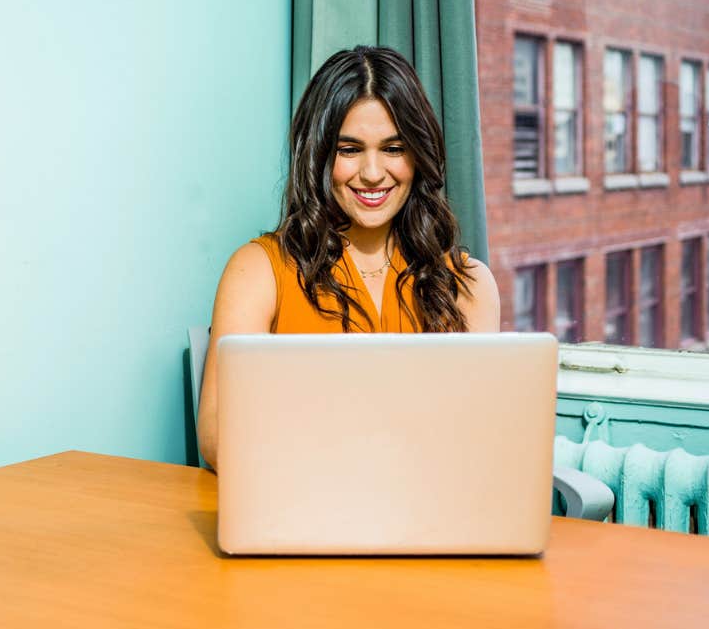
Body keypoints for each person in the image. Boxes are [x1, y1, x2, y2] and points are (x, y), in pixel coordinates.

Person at [197, 45, 500, 470]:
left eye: (394, 148)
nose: (373, 173)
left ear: (418, 155)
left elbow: (481, 439)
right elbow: (217, 440)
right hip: (300, 509)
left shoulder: (469, 283)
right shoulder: (257, 271)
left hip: (431, 518)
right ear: (320, 155)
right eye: (349, 149)